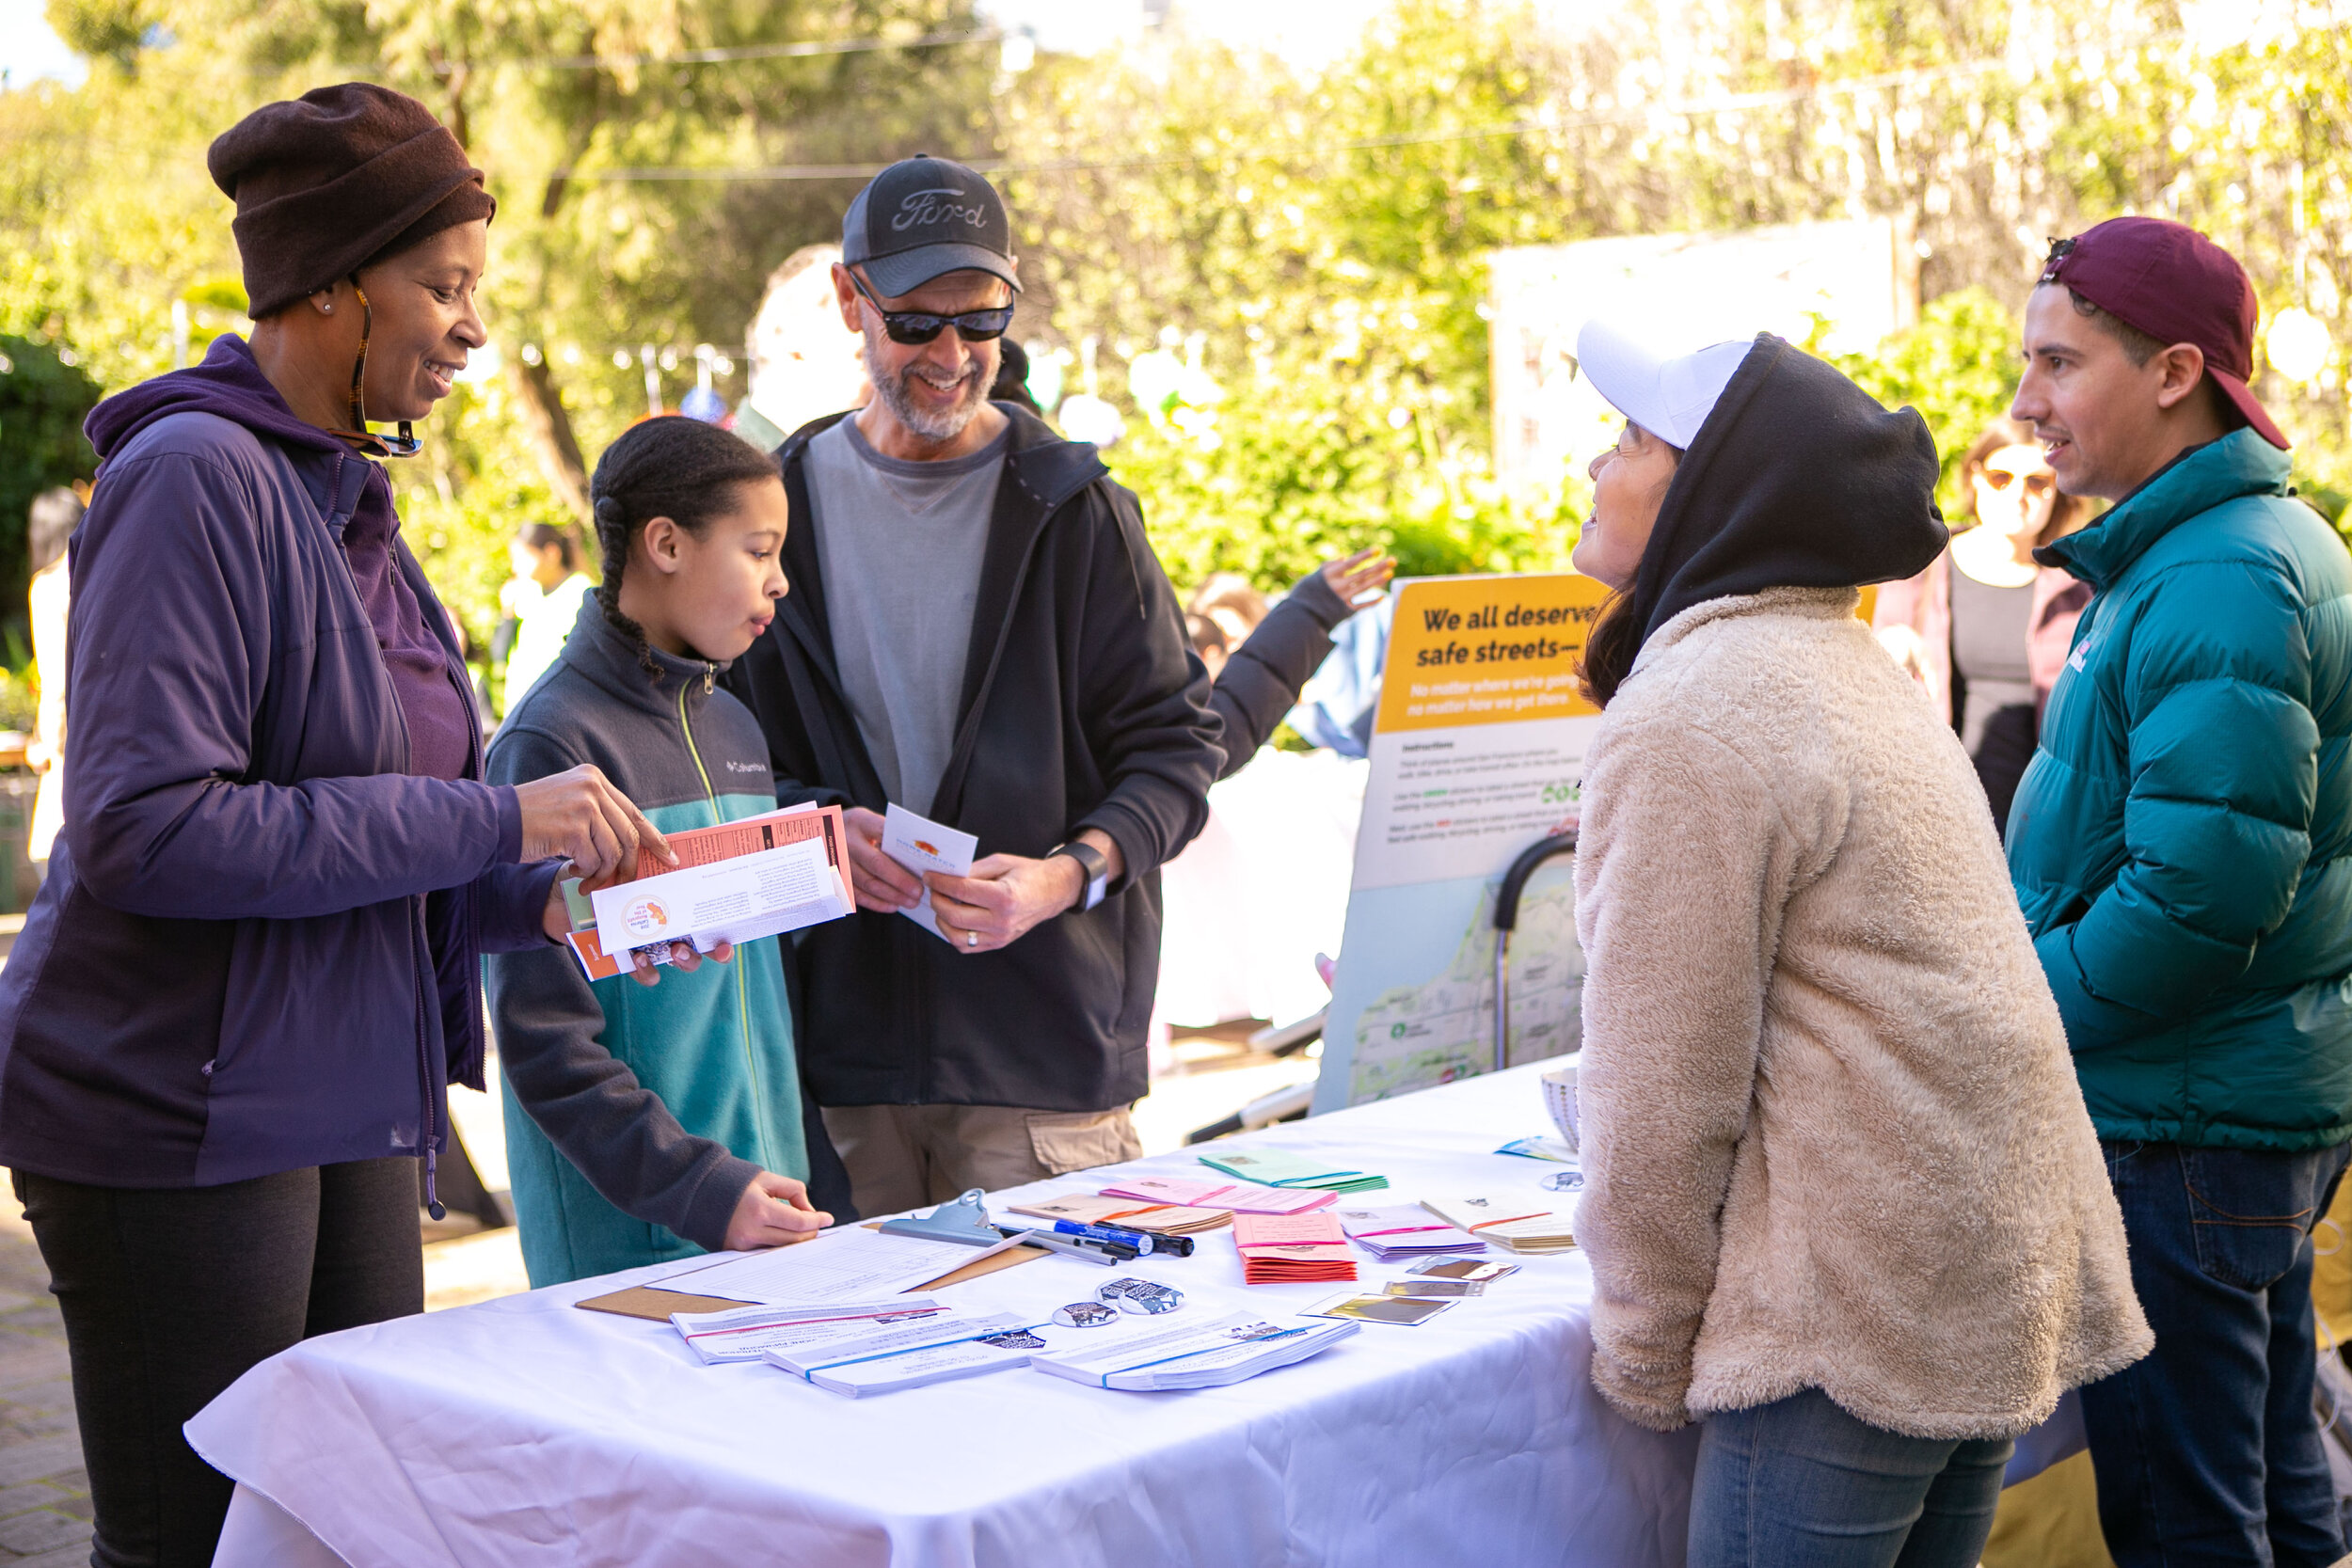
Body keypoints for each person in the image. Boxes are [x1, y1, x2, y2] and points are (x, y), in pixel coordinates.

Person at [0, 84, 681, 1566]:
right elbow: (144, 832)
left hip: (348, 1098)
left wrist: (547, 895)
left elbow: (410, 842)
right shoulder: (194, 481)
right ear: (327, 281)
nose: (472, 329)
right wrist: (494, 820)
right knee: (197, 1541)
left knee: (338, 1535)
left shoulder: (354, 501)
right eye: (443, 287)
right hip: (175, 1113)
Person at [1565, 318, 2150, 1566]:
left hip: (1856, 1314)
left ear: (1712, 494)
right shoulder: (1840, 664)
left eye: (1627, 438)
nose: (1596, 466)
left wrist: (1646, 1350)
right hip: (1975, 1273)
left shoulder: (1698, 710)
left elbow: (1661, 1090)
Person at [725, 156, 1221, 1218]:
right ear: (850, 302)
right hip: (833, 1069)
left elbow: (1176, 752)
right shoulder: (777, 509)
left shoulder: (1077, 509)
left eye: (981, 318)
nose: (951, 355)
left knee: (1063, 1379)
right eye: (915, 324)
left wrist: (1062, 876)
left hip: (1039, 1065)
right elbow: (717, 760)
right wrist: (809, 833)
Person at [2005, 216, 2352, 1566]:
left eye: (2059, 361)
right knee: (2275, 1484)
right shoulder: (2204, 549)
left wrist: (2012, 1013)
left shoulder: (2217, 570)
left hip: (2182, 1121)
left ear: (2175, 372)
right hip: (2222, 1106)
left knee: (2187, 1522)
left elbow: (2200, 897)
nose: (2027, 402)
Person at [486, 416, 848, 1285]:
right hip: (635, 1248)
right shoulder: (550, 744)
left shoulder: (735, 724)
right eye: (759, 551)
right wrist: (699, 1189)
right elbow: (544, 1042)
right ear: (665, 544)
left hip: (770, 1211)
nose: (782, 582)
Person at [1870, 419, 2092, 832]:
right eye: (2001, 477)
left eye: (2037, 483)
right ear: (1976, 476)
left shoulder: (2079, 587)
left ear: (2056, 491)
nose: (2017, 496)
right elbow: (1876, 677)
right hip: (1936, 815)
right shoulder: (1922, 565)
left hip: (2040, 824)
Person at [24, 485, 82, 876]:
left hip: (71, 756)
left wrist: (45, 746)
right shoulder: (105, 569)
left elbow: (56, 682)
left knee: (49, 864)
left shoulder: (48, 585)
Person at [501, 520, 592, 714]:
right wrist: (506, 613)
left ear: (551, 553)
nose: (515, 567)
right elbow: (500, 653)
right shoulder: (527, 592)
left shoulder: (581, 591)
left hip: (557, 712)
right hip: (521, 709)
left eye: (522, 557)